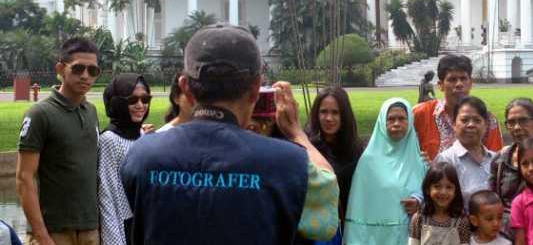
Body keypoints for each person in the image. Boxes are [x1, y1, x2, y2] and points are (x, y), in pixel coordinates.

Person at [120, 24, 339, 244]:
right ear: (255, 89)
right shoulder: (289, 164)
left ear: (185, 87)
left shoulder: (142, 155)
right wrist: (297, 133)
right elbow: (325, 219)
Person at [16, 37, 101, 245]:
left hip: (89, 230)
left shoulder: (91, 111)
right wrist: (42, 237)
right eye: (78, 68)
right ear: (61, 68)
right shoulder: (40, 114)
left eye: (93, 71)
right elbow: (24, 179)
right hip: (53, 232)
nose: (85, 76)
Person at [345, 97, 427, 245]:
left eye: (402, 118)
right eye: (391, 119)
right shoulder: (368, 161)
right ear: (383, 122)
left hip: (411, 235)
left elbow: (432, 194)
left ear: (410, 122)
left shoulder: (421, 161)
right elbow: (358, 208)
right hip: (373, 238)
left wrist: (418, 201)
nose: (396, 124)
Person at [414, 55, 503, 161]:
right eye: (452, 79)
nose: (459, 84)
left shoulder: (487, 119)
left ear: (470, 83)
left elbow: (495, 162)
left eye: (463, 78)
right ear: (440, 85)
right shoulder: (421, 114)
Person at [98, 73, 153, 245]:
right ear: (118, 102)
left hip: (145, 222)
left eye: (145, 99)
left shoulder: (143, 134)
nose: (140, 105)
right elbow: (107, 194)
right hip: (124, 225)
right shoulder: (109, 140)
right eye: (132, 100)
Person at [306, 87, 364, 243]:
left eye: (335, 112)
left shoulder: (357, 151)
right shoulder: (306, 147)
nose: (328, 118)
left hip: (346, 228)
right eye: (323, 112)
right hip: (311, 230)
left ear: (344, 115)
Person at [488, 98, 533, 238]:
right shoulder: (500, 159)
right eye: (511, 122)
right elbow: (492, 200)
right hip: (506, 235)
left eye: (523, 121)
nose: (517, 127)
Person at [436, 96, 497, 209]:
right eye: (464, 120)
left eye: (477, 120)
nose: (471, 125)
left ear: (486, 125)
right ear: (454, 124)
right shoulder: (446, 160)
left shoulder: (495, 160)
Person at [408, 162, 471, 245]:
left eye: (449, 187)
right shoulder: (418, 219)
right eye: (437, 186)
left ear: (455, 191)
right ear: (427, 189)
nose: (443, 192)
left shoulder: (461, 221)